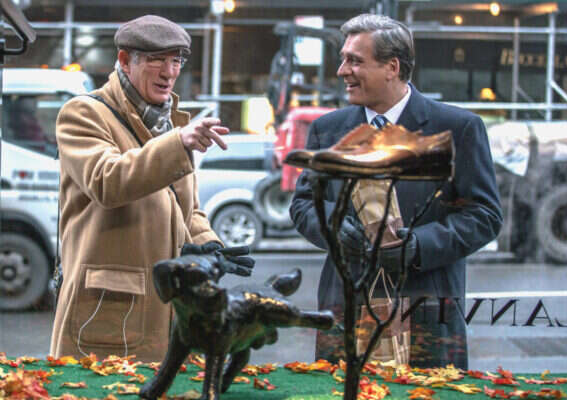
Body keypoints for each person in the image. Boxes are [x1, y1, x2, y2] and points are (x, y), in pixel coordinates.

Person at [290, 13, 503, 369]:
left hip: (426, 313)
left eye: (355, 61)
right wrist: (332, 226)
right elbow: (303, 206)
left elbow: (484, 216)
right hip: (345, 311)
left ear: (392, 67)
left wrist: (418, 246)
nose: (342, 71)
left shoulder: (457, 128)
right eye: (343, 59)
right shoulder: (327, 130)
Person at [50, 15, 253, 362]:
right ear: (125, 60)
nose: (169, 72)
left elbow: (186, 207)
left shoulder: (169, 124)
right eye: (157, 60)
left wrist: (208, 244)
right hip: (106, 309)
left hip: (171, 308)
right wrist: (177, 142)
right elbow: (107, 181)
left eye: (176, 61)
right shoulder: (83, 113)